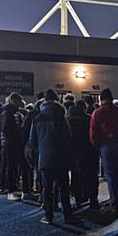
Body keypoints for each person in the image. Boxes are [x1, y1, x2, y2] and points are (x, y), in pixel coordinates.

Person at [29, 89, 77, 224]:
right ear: (57, 100)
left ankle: (48, 216)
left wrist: (42, 150)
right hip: (61, 157)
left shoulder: (37, 119)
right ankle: (68, 215)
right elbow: (68, 139)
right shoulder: (62, 117)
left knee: (47, 189)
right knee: (64, 188)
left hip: (45, 158)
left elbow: (32, 141)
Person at [89, 88, 118, 212]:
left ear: (101, 99)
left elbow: (93, 132)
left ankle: (114, 200)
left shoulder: (97, 113)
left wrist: (98, 146)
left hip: (105, 146)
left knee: (110, 174)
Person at [69, 100, 100, 209]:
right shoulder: (90, 119)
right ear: (85, 108)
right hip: (90, 151)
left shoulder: (70, 121)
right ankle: (93, 199)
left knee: (77, 176)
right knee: (92, 175)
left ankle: (78, 198)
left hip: (76, 152)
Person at [0, 93, 25, 201]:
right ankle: (10, 190)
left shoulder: (11, 112)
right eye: (18, 102)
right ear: (13, 101)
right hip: (10, 144)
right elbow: (5, 129)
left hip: (10, 143)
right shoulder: (8, 113)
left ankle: (11, 188)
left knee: (12, 167)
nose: (19, 104)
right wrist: (15, 132)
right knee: (11, 167)